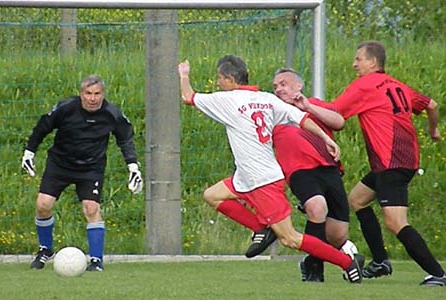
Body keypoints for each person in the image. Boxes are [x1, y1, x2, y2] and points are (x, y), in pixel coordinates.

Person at [177, 55, 362, 283]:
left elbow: (188, 96)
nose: (217, 83)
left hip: (262, 181)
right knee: (212, 195)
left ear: (230, 79)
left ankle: (346, 262)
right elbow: (301, 118)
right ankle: (263, 229)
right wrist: (326, 137)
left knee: (291, 238)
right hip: (247, 176)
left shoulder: (228, 100)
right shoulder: (266, 99)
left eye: (219, 78)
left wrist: (184, 75)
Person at [296, 40, 444, 286]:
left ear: (373, 62)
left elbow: (335, 113)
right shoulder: (397, 85)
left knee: (396, 222)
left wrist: (304, 106)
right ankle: (380, 261)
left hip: (391, 164)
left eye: (359, 59)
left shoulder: (366, 85)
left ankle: (438, 274)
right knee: (358, 199)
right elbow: (432, 105)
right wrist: (433, 130)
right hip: (397, 162)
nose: (354, 64)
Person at [22, 74, 143, 272]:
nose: (92, 98)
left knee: (91, 208)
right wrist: (29, 152)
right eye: (88, 93)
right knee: (43, 205)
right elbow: (42, 127)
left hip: (91, 168)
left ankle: (96, 260)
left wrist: (133, 167)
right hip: (60, 164)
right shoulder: (66, 108)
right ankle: (45, 249)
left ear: (103, 95)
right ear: (81, 94)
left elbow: (125, 138)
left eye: (97, 94)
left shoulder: (112, 113)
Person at [269, 68, 361, 282]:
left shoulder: (314, 105)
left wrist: (308, 107)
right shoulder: (273, 112)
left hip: (329, 169)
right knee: (317, 207)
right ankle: (314, 271)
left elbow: (339, 122)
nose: (279, 89)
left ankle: (319, 259)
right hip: (299, 171)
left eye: (283, 84)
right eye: (275, 87)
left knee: (337, 235)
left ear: (298, 86)